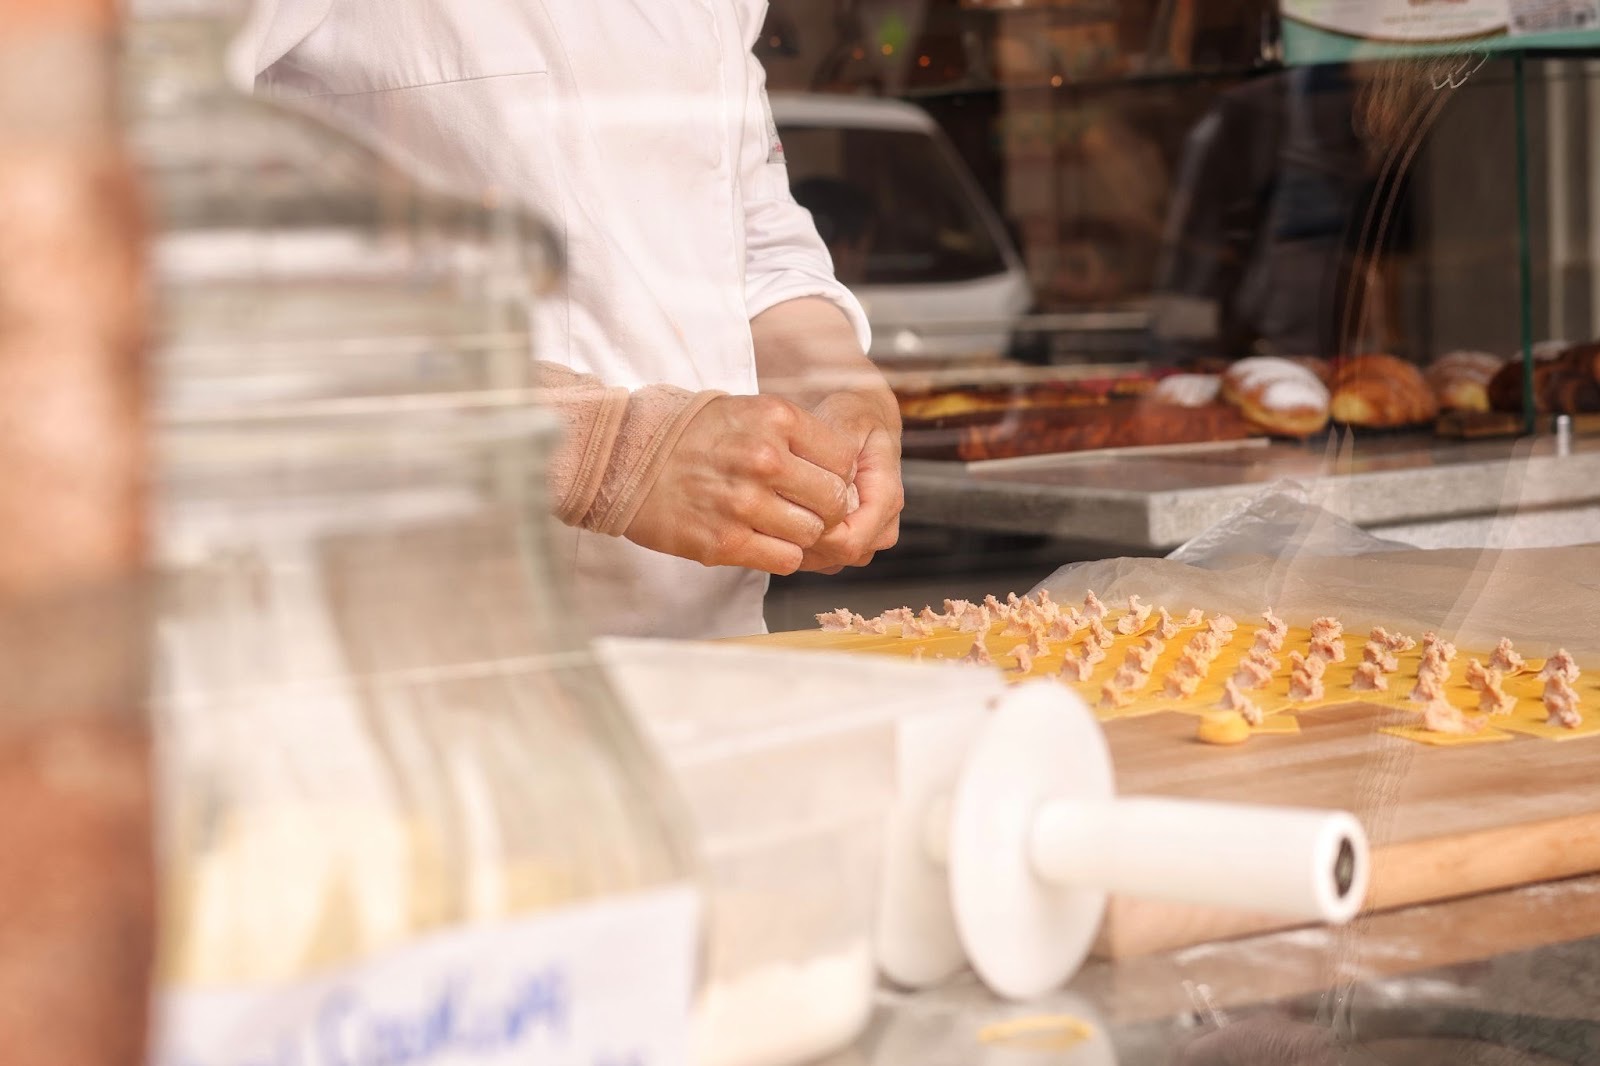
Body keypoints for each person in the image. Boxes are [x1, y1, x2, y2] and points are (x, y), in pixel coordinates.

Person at [232, 1, 904, 639]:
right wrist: (604, 450)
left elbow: (751, 230)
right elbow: (148, 252)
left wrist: (833, 380)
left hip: (708, 634)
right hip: (412, 635)